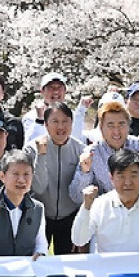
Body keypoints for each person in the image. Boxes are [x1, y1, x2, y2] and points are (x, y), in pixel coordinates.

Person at [71, 148, 139, 253]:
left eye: (134, 175)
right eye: (121, 176)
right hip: (108, 268)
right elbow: (79, 240)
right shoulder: (99, 205)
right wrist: (86, 208)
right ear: (111, 178)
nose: (128, 182)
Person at [70, 100, 139, 204]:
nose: (116, 131)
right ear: (101, 127)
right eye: (111, 125)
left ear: (128, 125)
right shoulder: (91, 152)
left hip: (138, 207)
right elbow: (76, 197)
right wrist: (84, 172)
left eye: (121, 124)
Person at [26, 101, 88, 255]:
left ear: (72, 123)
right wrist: (41, 155)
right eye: (55, 122)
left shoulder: (81, 150)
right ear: (46, 125)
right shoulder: (31, 149)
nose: (60, 127)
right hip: (39, 216)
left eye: (65, 121)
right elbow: (38, 188)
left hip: (70, 217)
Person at [0, 150, 48, 257]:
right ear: (2, 176)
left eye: (26, 174)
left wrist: (40, 253)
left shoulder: (38, 208)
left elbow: (41, 244)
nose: (21, 180)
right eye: (15, 174)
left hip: (25, 272)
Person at [22, 72, 90, 143]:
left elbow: (77, 140)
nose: (56, 91)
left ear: (65, 91)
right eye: (51, 87)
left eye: (59, 87)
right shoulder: (31, 117)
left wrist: (81, 110)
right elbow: (30, 146)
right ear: (42, 91)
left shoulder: (73, 115)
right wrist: (40, 120)